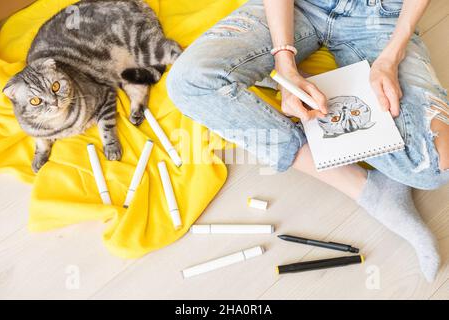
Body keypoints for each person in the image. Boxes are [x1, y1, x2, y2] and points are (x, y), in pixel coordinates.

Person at [166, 0, 449, 282]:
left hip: (381, 17)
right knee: (189, 81)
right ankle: (365, 189)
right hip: (299, 7)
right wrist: (284, 62)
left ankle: (307, 84)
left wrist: (391, 57)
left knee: (436, 166)